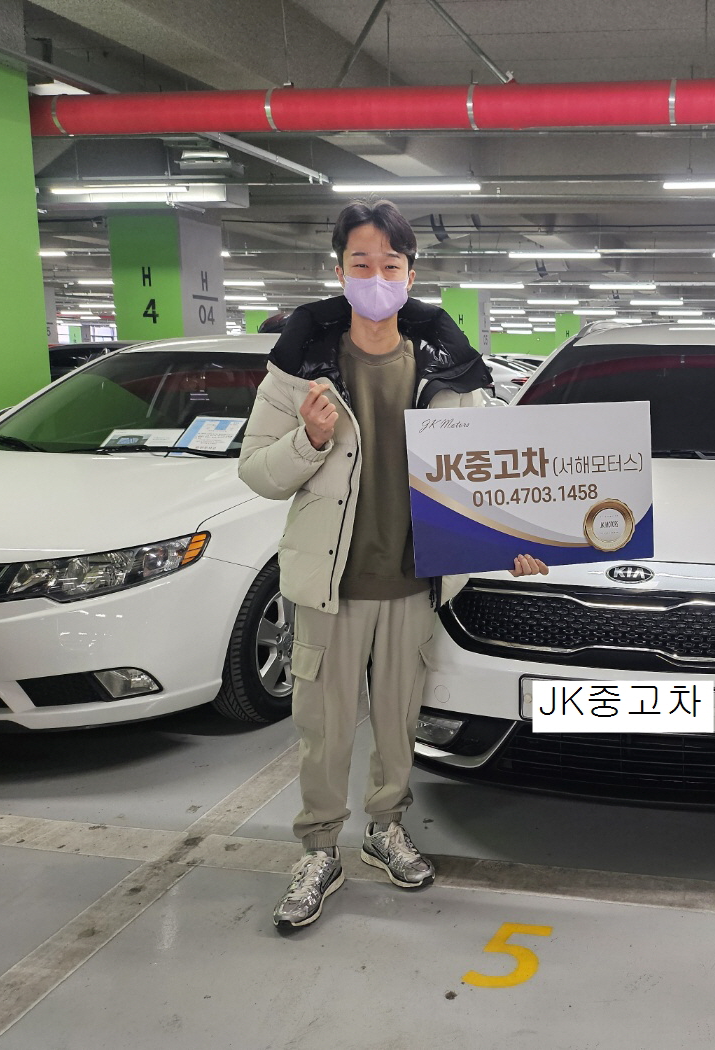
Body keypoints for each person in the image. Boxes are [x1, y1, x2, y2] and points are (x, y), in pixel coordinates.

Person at [238, 200, 547, 931]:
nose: (376, 278)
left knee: (399, 723)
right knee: (324, 730)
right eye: (361, 264)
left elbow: (493, 480)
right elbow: (256, 471)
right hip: (330, 586)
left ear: (411, 274)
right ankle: (319, 849)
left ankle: (385, 829)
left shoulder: (452, 374)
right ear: (339, 271)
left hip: (414, 582)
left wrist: (518, 540)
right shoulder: (299, 371)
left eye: (390, 265)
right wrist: (309, 441)